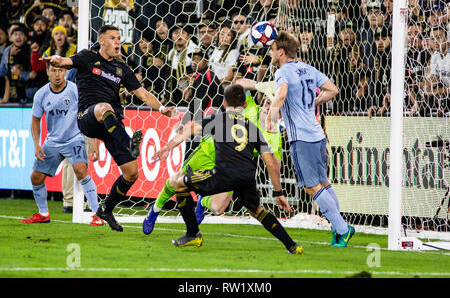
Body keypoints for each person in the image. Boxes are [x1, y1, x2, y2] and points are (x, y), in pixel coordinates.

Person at [42, 25, 177, 232]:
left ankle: (107, 209)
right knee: (104, 107)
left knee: (132, 173)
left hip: (110, 124)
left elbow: (142, 94)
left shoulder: (122, 69)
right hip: (87, 116)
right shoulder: (88, 57)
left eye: (119, 38)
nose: (117, 42)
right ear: (102, 41)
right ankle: (128, 142)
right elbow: (68, 62)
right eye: (113, 38)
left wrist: (161, 108)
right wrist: (59, 60)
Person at [151, 84, 303, 254]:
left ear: (223, 104)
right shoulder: (253, 129)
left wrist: (166, 148)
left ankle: (193, 233)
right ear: (244, 105)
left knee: (178, 183)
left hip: (222, 175)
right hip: (246, 178)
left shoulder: (218, 119)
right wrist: (278, 193)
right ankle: (292, 245)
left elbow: (187, 130)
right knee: (257, 211)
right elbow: (271, 163)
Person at [266, 31, 355, 247]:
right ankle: (338, 227)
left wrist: (271, 116)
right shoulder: (309, 69)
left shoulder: (282, 72)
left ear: (281, 52)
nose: (270, 53)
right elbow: (333, 90)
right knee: (323, 182)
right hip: (317, 133)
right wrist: (314, 102)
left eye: (272, 50)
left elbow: (282, 93)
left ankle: (343, 229)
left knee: (311, 187)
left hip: (302, 138)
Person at [22, 64, 103, 226]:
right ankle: (43, 214)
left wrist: (95, 142)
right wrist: (37, 145)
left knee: (80, 170)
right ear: (47, 72)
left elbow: (91, 115)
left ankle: (97, 214)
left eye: (60, 70)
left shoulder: (75, 90)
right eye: (53, 70)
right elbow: (35, 120)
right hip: (53, 141)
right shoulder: (41, 94)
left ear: (65, 72)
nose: (57, 74)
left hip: (75, 138)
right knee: (36, 178)